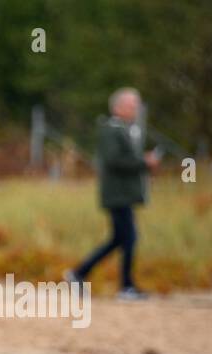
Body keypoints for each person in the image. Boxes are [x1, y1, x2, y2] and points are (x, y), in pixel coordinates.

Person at [65, 87, 159, 300]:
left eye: (137, 105)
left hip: (124, 194)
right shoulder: (112, 129)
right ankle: (125, 286)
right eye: (132, 105)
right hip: (117, 195)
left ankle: (79, 273)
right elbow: (114, 160)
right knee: (129, 238)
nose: (136, 109)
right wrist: (143, 162)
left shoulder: (125, 130)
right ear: (118, 107)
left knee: (120, 239)